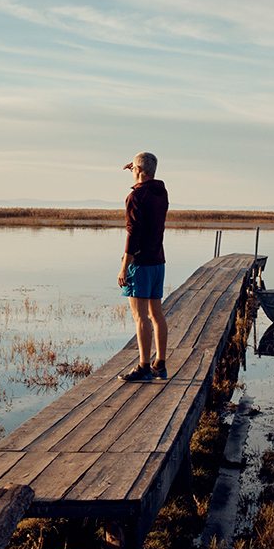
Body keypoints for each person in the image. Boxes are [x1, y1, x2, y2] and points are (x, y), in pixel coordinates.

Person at [118, 152, 168, 382]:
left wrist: (124, 267)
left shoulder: (135, 197)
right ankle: (160, 365)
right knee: (156, 314)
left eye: (134, 169)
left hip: (140, 263)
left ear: (138, 170)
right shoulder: (161, 193)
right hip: (158, 261)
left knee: (140, 317)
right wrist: (137, 168)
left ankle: (144, 367)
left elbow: (133, 233)